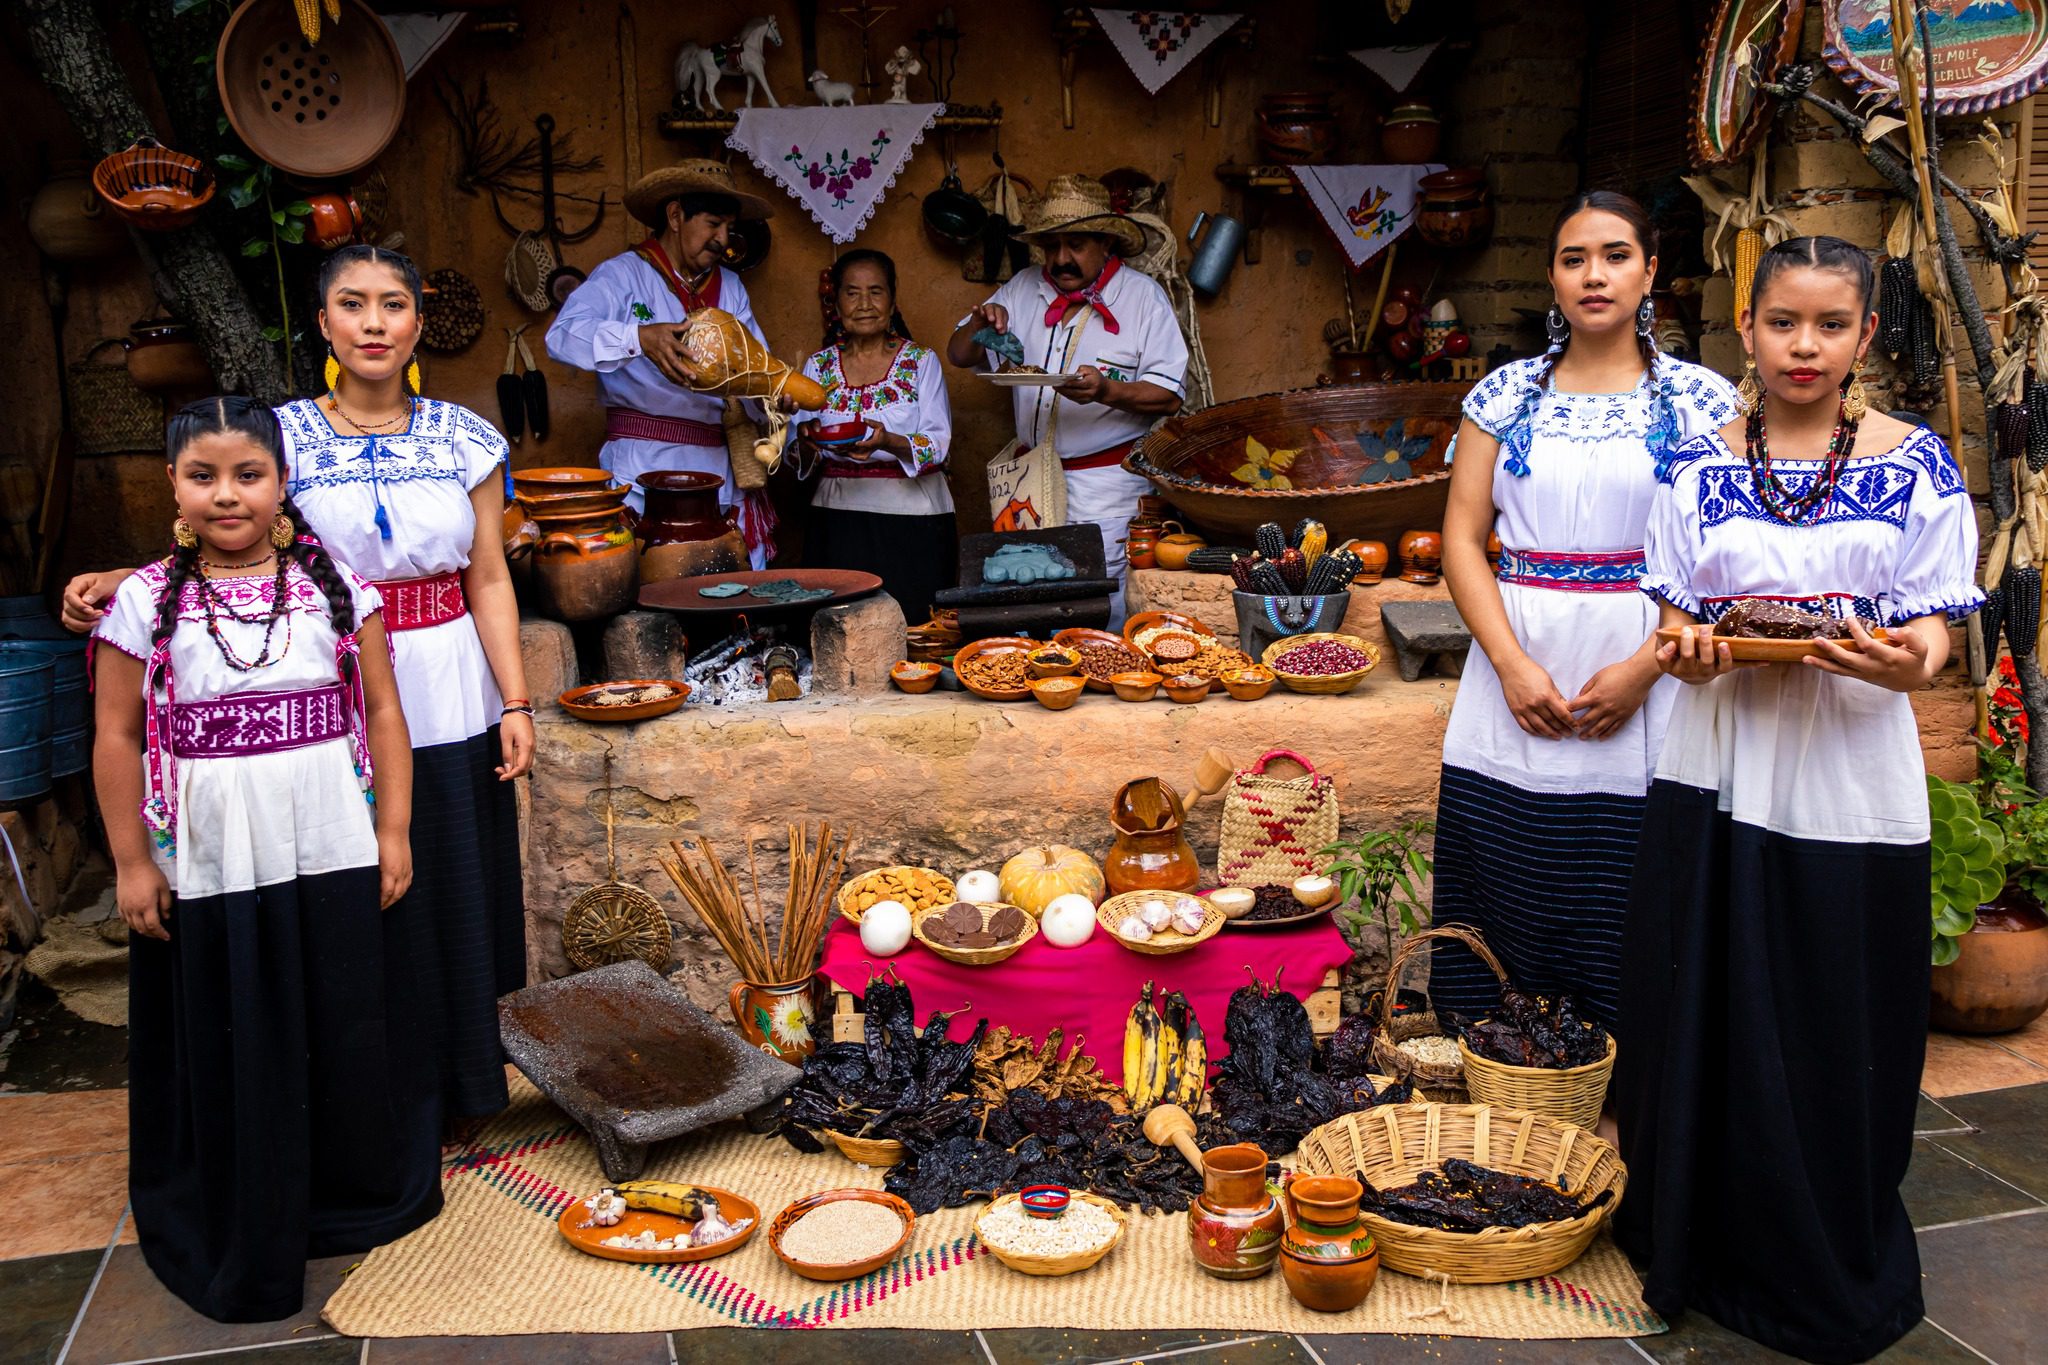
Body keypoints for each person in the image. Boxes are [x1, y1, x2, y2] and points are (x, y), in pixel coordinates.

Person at [65, 245, 535, 1136]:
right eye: (350, 305)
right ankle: (379, 1097)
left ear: (416, 325)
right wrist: (125, 577)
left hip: (448, 679)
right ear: (322, 324)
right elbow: (230, 539)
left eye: (392, 304)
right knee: (360, 890)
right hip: (332, 690)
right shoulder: (282, 437)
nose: (372, 322)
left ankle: (467, 1090)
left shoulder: (467, 437)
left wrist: (513, 700)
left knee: (452, 889)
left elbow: (489, 578)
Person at [1616, 236, 1979, 1362]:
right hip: (1714, 759)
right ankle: (1700, 1245)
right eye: (1782, 323)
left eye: (1829, 325)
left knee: (1835, 1013)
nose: (1803, 347)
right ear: (1747, 327)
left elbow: (1932, 625)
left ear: (1865, 336)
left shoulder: (1916, 463)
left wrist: (1908, 663)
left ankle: (1823, 1258)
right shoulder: (1690, 462)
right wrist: (1681, 647)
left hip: (1848, 777)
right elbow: (1674, 621)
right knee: (1705, 1002)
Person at [91, 396, 436, 1322]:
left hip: (326, 836)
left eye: (248, 474)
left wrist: (392, 832)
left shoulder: (337, 587)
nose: (227, 495)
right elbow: (119, 735)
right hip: (215, 856)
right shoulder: (143, 602)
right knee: (241, 1017)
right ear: (173, 485)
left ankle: (342, 1188)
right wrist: (132, 860)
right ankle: (252, 1191)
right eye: (203, 476)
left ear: (283, 483)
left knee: (337, 1009)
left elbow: (385, 714)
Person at [1429, 192, 1739, 1029]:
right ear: (1554, 278)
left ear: (1650, 271)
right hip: (1517, 652)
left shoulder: (1710, 406)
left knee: (1633, 865)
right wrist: (1512, 665)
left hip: (1657, 659)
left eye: (1614, 255)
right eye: (1574, 259)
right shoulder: (1502, 396)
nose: (1594, 275)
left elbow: (1726, 556)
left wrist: (1645, 669)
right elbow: (1461, 540)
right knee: (1513, 854)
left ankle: (1632, 1065)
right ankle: (1505, 1054)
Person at [945, 174, 1187, 620]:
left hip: (1107, 488)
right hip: (1027, 484)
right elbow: (959, 354)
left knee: (1102, 600)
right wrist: (980, 323)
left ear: (1106, 244)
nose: (1060, 259)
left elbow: (1168, 396)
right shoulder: (1022, 287)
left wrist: (1107, 390)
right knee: (1029, 596)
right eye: (1051, 246)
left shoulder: (1142, 300)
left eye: (1075, 245)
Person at [546, 157, 780, 564]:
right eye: (712, 224)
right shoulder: (622, 276)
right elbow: (562, 336)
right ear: (675, 216)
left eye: (729, 228)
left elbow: (753, 369)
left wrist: (773, 401)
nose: (723, 239)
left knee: (729, 595)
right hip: (642, 468)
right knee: (651, 593)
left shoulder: (732, 288)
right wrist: (638, 337)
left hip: (721, 473)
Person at [793, 249, 957, 621]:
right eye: (852, 293)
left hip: (913, 520)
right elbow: (797, 453)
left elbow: (938, 445)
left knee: (911, 627)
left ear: (893, 300)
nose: (864, 304)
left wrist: (888, 441)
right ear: (836, 303)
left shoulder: (920, 361)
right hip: (836, 517)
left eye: (876, 292)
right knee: (836, 626)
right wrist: (804, 438)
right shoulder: (818, 366)